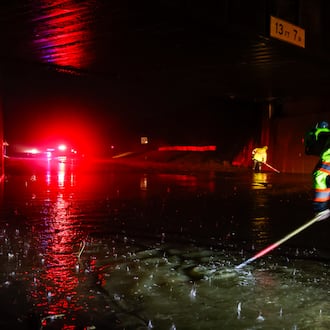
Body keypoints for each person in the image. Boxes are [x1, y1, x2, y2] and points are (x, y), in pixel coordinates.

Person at [304, 121, 330, 220]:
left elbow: (321, 177)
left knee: (321, 175)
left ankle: (321, 208)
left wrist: (321, 208)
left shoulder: (317, 134)